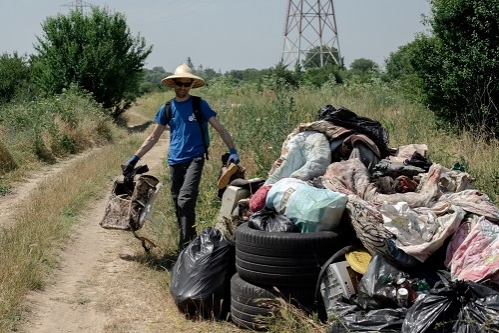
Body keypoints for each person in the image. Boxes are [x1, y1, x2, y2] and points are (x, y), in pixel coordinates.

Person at [122, 63, 240, 250]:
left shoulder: (199, 105)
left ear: (191, 85)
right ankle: (187, 240)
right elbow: (153, 137)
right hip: (174, 160)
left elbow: (220, 128)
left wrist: (233, 150)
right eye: (180, 83)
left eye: (187, 84)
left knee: (185, 198)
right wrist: (134, 158)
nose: (183, 87)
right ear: (174, 84)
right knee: (177, 201)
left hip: (195, 157)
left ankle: (186, 244)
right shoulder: (167, 108)